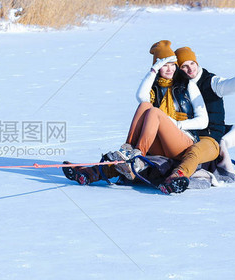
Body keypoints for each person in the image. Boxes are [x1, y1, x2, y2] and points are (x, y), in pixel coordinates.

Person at [64, 40, 209, 186]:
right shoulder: (154, 88)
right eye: (165, 65)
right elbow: (141, 97)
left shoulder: (187, 85)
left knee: (154, 112)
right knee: (146, 105)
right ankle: (95, 171)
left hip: (183, 142)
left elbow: (203, 121)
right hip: (160, 143)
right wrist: (153, 71)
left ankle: (136, 156)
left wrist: (176, 124)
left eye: (172, 64)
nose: (170, 69)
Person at [158, 46, 235, 194]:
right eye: (184, 66)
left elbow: (228, 84)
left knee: (195, 151)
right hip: (188, 134)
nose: (190, 69)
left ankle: (177, 177)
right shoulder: (178, 86)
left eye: (192, 63)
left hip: (209, 136)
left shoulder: (211, 82)